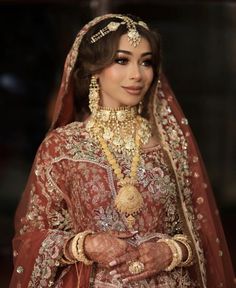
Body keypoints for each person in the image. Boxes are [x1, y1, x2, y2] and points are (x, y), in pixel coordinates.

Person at [10, 14, 235, 288]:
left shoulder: (171, 144)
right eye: (121, 60)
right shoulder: (63, 146)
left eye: (146, 62)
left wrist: (170, 251)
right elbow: (31, 235)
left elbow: (201, 232)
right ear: (94, 68)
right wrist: (87, 244)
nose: (137, 75)